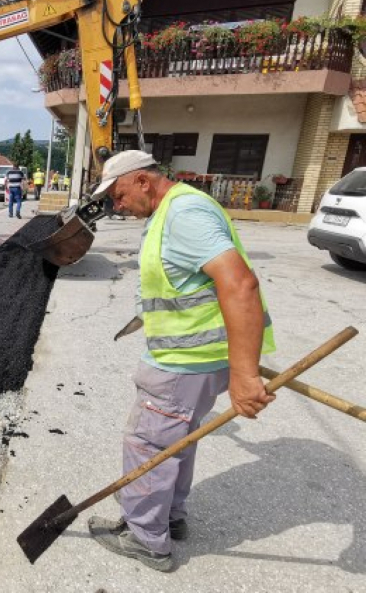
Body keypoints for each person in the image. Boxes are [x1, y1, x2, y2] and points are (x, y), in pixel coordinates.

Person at [86, 149, 276, 572]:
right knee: (177, 441)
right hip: (198, 358)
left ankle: (146, 539)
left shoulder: (182, 214)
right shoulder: (175, 209)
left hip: (182, 363)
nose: (116, 206)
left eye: (118, 195)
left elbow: (241, 285)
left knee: (148, 443)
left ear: (143, 181)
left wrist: (246, 375)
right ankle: (170, 518)